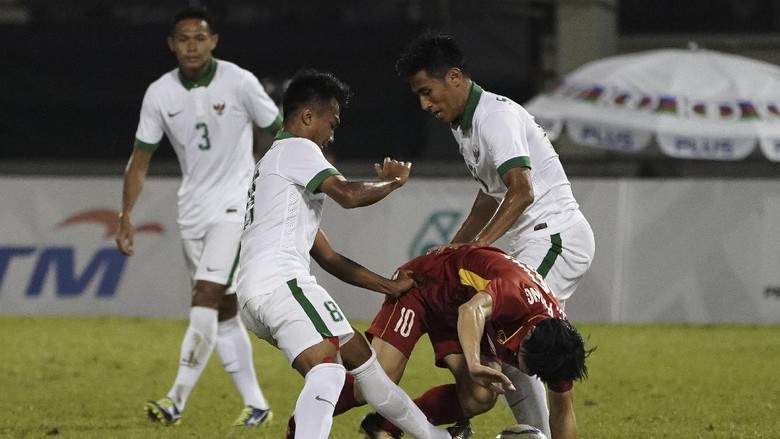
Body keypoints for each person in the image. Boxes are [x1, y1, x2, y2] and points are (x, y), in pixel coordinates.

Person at [238, 68, 471, 439]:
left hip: (265, 289)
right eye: (332, 123)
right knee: (328, 371)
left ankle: (437, 438)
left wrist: (388, 287)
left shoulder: (274, 167)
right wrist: (393, 181)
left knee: (367, 369)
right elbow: (347, 195)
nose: (332, 134)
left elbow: (328, 257)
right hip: (280, 283)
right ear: (307, 117)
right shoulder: (298, 149)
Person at [394, 31, 596, 438]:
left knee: (510, 341)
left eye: (428, 92)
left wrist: (478, 247)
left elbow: (522, 190)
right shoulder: (465, 124)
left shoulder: (494, 118)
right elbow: (491, 194)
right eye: (418, 95)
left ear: (454, 77)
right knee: (514, 344)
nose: (424, 104)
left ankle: (507, 430)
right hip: (538, 239)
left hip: (555, 236)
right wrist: (462, 245)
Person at [115, 6, 280, 427]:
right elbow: (139, 160)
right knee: (222, 311)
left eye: (199, 37)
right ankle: (257, 405)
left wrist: (282, 184)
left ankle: (174, 400)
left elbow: (280, 130)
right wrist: (125, 215)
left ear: (213, 41)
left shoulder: (239, 81)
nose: (192, 45)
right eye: (183, 38)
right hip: (192, 210)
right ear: (172, 44)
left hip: (235, 205)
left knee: (204, 297)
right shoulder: (159, 93)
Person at [333, 245, 591, 439]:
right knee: (372, 383)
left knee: (480, 396)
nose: (524, 370)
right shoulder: (516, 292)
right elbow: (471, 311)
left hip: (465, 306)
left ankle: (385, 425)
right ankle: (305, 419)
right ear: (531, 334)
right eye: (526, 360)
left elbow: (562, 413)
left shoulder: (560, 350)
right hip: (424, 287)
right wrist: (474, 363)